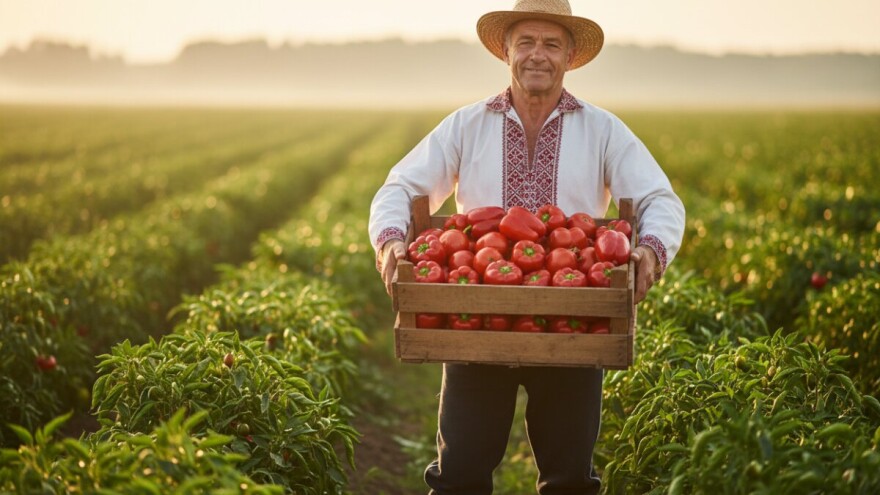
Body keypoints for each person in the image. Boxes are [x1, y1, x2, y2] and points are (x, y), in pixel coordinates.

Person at [368, 0, 685, 492]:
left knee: (568, 481)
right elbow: (400, 187)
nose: (538, 54)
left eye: (552, 44)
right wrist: (390, 243)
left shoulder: (602, 130)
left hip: (573, 325)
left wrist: (649, 250)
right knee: (460, 475)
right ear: (506, 52)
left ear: (570, 56)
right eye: (526, 43)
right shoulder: (467, 125)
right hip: (477, 322)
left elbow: (659, 199)